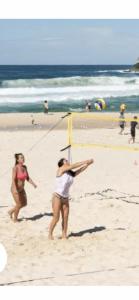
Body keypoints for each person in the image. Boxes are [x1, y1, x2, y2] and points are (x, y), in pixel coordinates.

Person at [48, 158, 94, 240]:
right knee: (56, 217)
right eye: (65, 161)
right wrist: (85, 161)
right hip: (57, 196)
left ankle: (64, 235)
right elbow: (74, 165)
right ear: (62, 163)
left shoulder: (70, 173)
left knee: (65, 218)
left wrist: (87, 165)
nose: (67, 161)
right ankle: (50, 234)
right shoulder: (60, 169)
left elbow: (79, 170)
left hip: (65, 198)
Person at [8, 153, 37, 222]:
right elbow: (13, 179)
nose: (23, 159)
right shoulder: (15, 168)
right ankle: (15, 219)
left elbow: (27, 178)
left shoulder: (24, 167)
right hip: (15, 189)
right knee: (18, 204)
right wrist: (15, 189)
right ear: (17, 160)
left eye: (23, 157)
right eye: (21, 158)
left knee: (24, 203)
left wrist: (33, 184)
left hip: (22, 189)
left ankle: (11, 211)